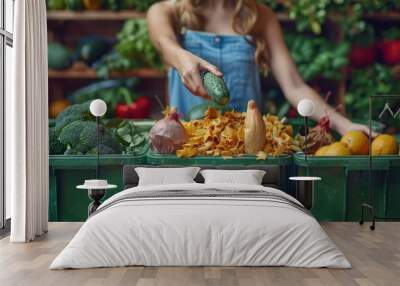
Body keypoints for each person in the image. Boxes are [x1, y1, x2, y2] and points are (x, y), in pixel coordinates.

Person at [147, 0, 370, 135]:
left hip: (246, 146)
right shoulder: (166, 11)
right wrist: (181, 58)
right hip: (184, 142)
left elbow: (294, 86)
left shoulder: (261, 17)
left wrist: (343, 124)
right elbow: (164, 44)